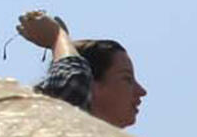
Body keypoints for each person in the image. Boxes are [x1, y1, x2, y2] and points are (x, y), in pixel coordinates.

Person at [16, 11, 145, 127]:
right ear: (92, 84)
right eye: (127, 79)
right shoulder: (55, 125)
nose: (141, 91)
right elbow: (74, 81)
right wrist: (58, 37)